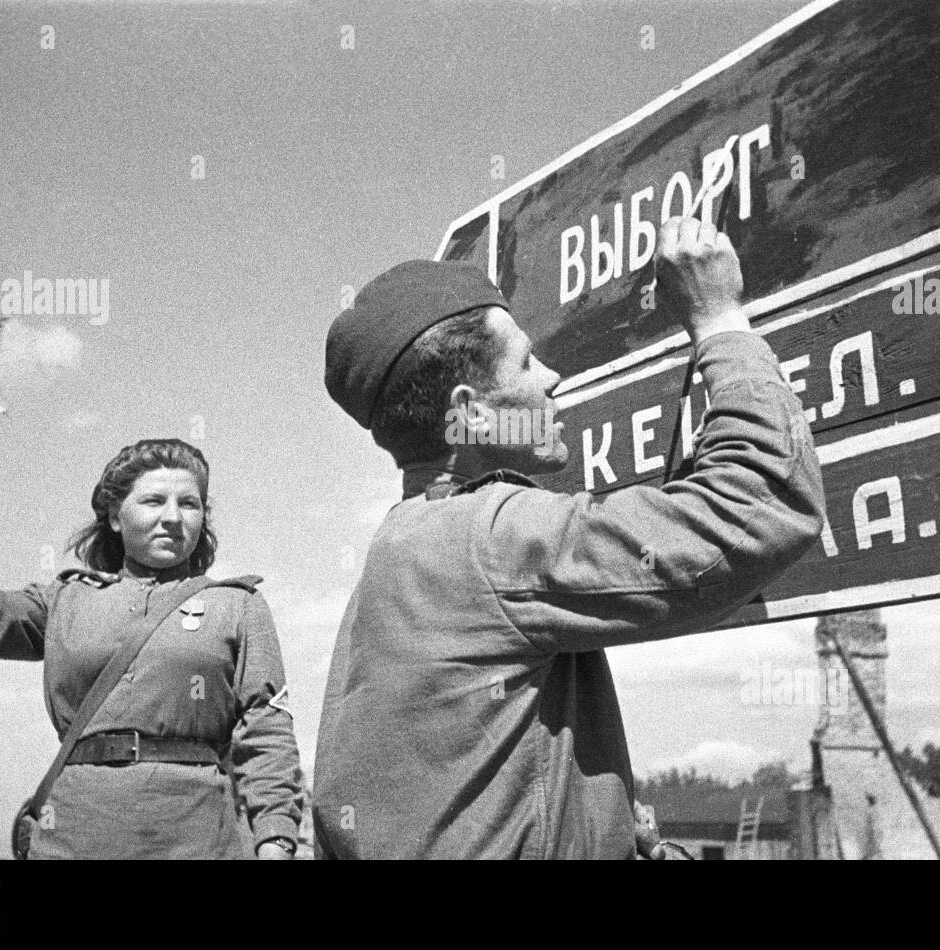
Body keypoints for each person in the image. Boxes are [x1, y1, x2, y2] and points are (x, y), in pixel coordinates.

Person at [314, 217, 826, 859]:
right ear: (471, 411)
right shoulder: (490, 536)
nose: (552, 377)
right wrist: (719, 320)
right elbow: (759, 502)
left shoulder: (400, 549)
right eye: (527, 361)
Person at [0, 433, 302, 859]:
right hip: (75, 834)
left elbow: (267, 730)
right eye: (154, 501)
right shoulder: (66, 599)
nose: (173, 517)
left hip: (198, 838)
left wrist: (275, 839)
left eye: (189, 504)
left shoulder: (237, 605)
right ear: (116, 518)